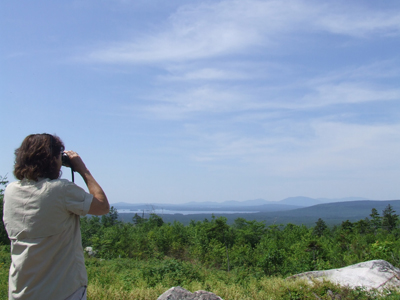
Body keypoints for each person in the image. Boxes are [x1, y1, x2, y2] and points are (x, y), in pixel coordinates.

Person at [3, 133, 110, 300]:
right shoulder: (61, 190)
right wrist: (82, 169)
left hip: (22, 291)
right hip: (62, 291)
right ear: (52, 159)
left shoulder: (11, 191)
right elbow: (102, 206)